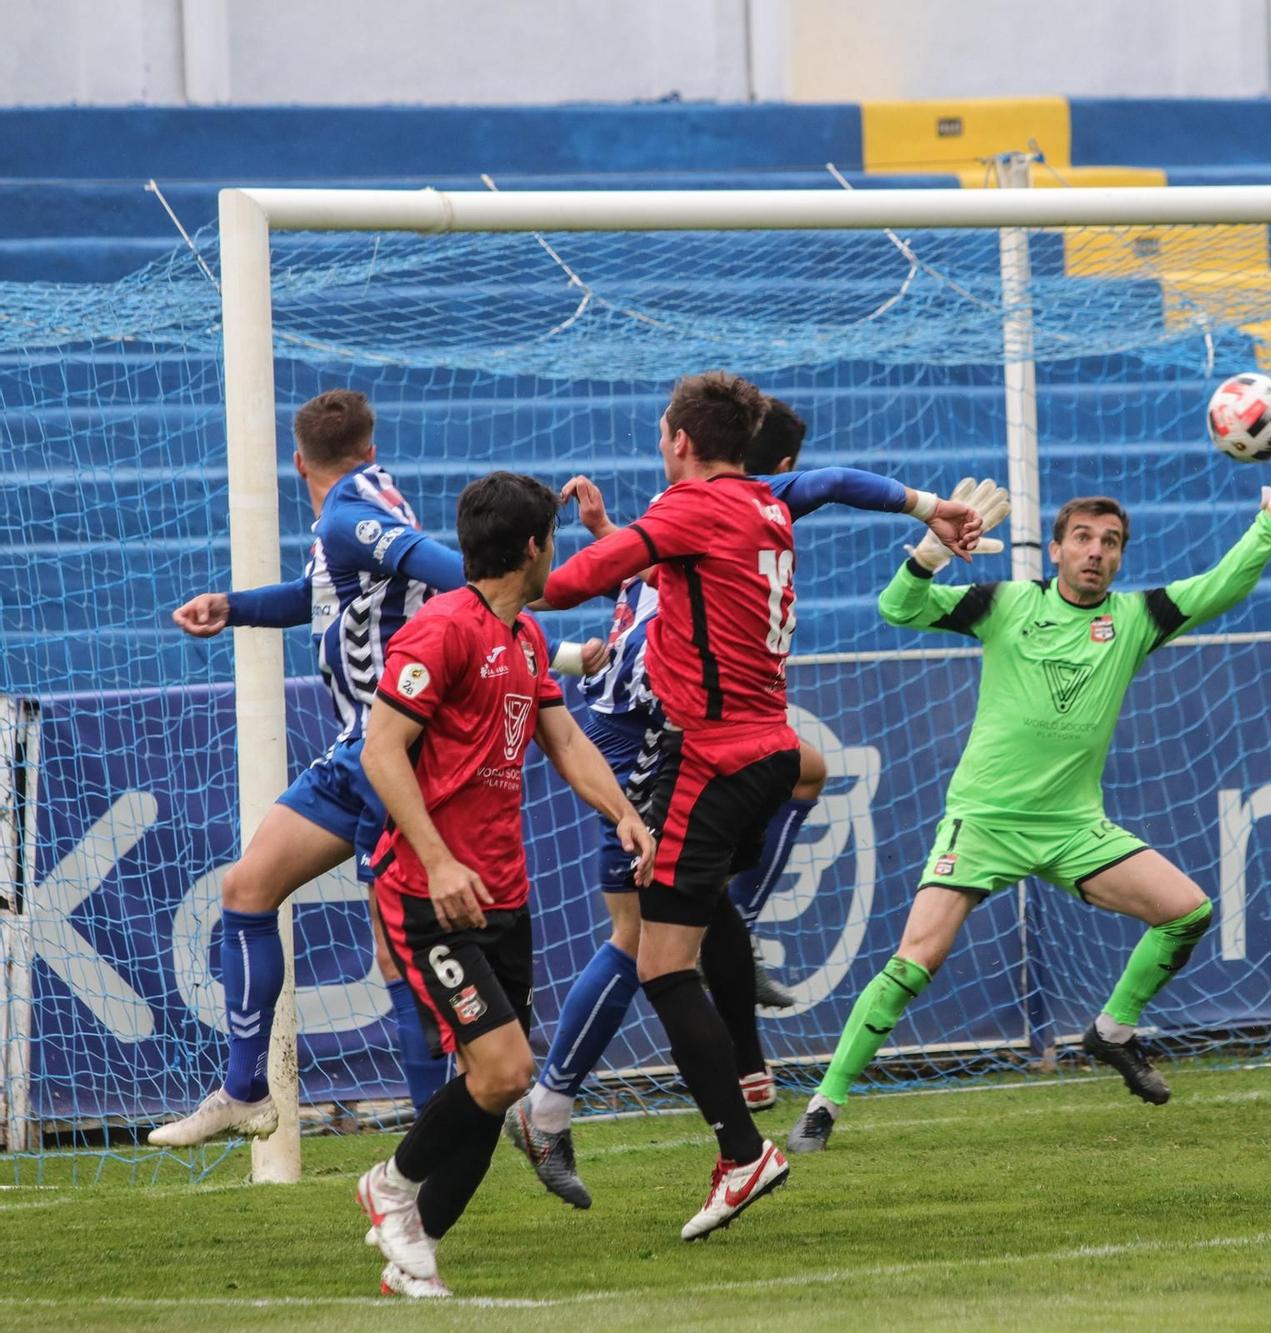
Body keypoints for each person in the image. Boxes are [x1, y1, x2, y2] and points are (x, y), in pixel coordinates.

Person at [786, 428, 1271, 1155]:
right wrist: (929, 552)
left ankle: (1113, 1030)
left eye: (1110, 541)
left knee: (1188, 911)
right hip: (986, 821)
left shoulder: (1134, 621)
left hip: (1072, 825)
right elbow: (899, 608)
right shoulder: (1006, 603)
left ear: (1120, 555)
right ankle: (824, 1106)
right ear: (1055, 550)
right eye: (1082, 537)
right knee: (913, 962)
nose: (1096, 551)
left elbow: (1222, 585)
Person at [507, 396, 989, 1210]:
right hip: (707, 738)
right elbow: (682, 567)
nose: (658, 446)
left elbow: (575, 585)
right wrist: (926, 504)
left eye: (662, 435)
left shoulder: (692, 508)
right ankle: (706, 1041)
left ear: (684, 442)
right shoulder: (765, 503)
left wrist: (484, 578)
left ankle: (568, 1109)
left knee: (650, 944)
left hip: (673, 746)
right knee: (676, 913)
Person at [353, 471, 654, 1298]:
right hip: (430, 889)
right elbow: (382, 751)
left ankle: (413, 1250)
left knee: (489, 1085)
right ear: (534, 547)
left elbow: (564, 741)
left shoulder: (520, 638)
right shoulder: (441, 630)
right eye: (553, 540)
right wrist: (439, 859)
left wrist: (624, 813)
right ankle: (389, 1185)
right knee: (505, 1071)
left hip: (503, 894)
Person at [151, 389, 477, 1147]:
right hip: (357, 752)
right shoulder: (368, 497)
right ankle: (244, 1088)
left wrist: (521, 605)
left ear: (297, 460)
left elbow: (450, 573)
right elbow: (320, 592)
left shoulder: (347, 514)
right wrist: (233, 606)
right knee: (248, 887)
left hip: (390, 750)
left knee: (400, 948)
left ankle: (461, 1115)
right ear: (368, 446)